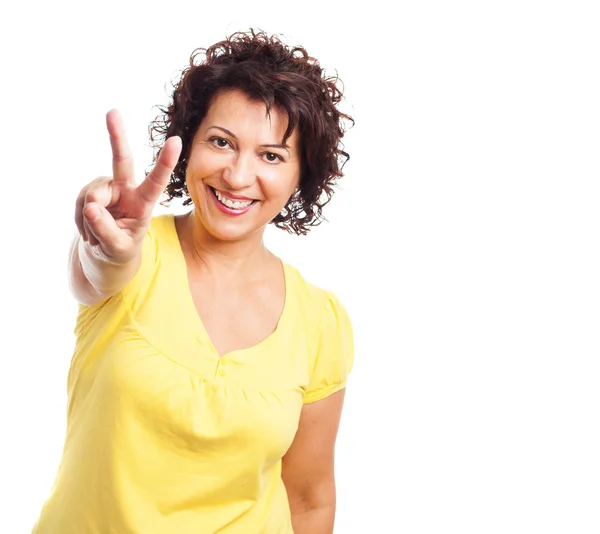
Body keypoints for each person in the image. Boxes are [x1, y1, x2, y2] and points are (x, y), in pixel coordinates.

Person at [32, 29, 354, 534]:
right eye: (221, 143)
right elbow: (96, 272)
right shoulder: (134, 255)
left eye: (271, 155)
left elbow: (310, 500)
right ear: (188, 145)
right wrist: (103, 245)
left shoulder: (320, 321)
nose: (238, 175)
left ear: (300, 177)